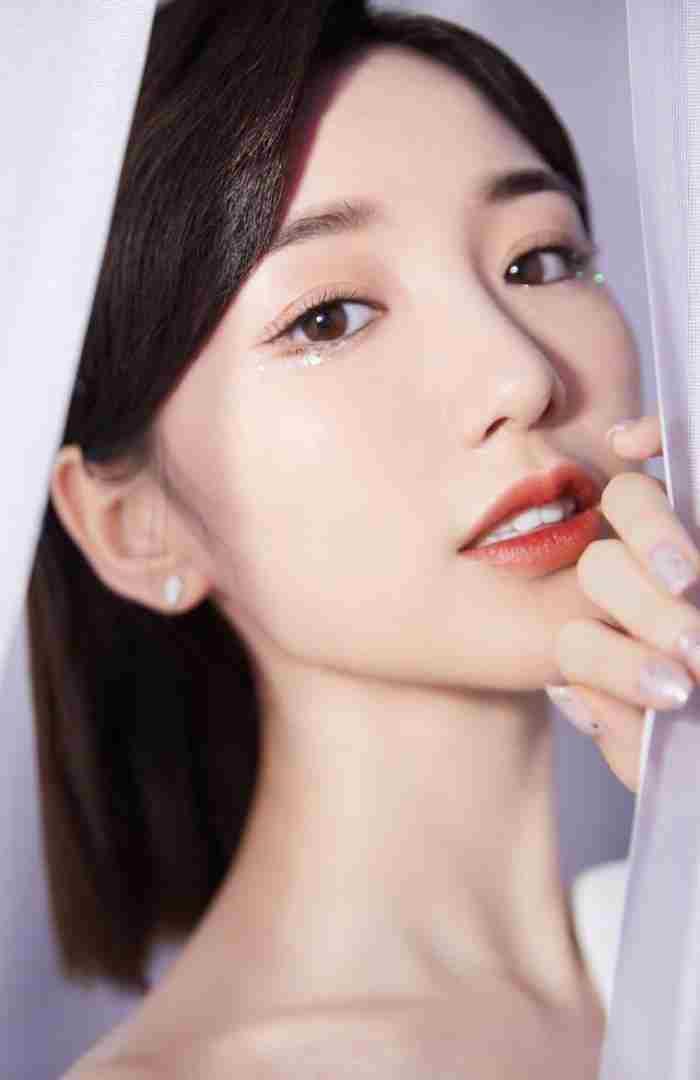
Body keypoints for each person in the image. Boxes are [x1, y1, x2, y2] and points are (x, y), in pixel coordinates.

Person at [27, 0, 700, 1075]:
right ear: (134, 526)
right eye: (329, 317)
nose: (520, 376)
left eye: (539, 262)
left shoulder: (664, 954)